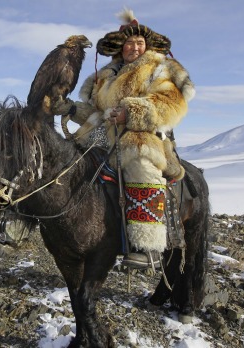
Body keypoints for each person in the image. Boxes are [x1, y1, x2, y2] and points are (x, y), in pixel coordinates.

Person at [52, 9, 195, 269]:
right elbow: (96, 112)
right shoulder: (106, 76)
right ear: (121, 47)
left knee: (140, 165)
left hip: (141, 135)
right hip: (99, 135)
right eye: (130, 43)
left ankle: (146, 245)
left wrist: (131, 112)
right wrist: (70, 109)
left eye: (140, 42)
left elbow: (170, 103)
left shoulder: (157, 69)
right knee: (62, 163)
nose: (135, 47)